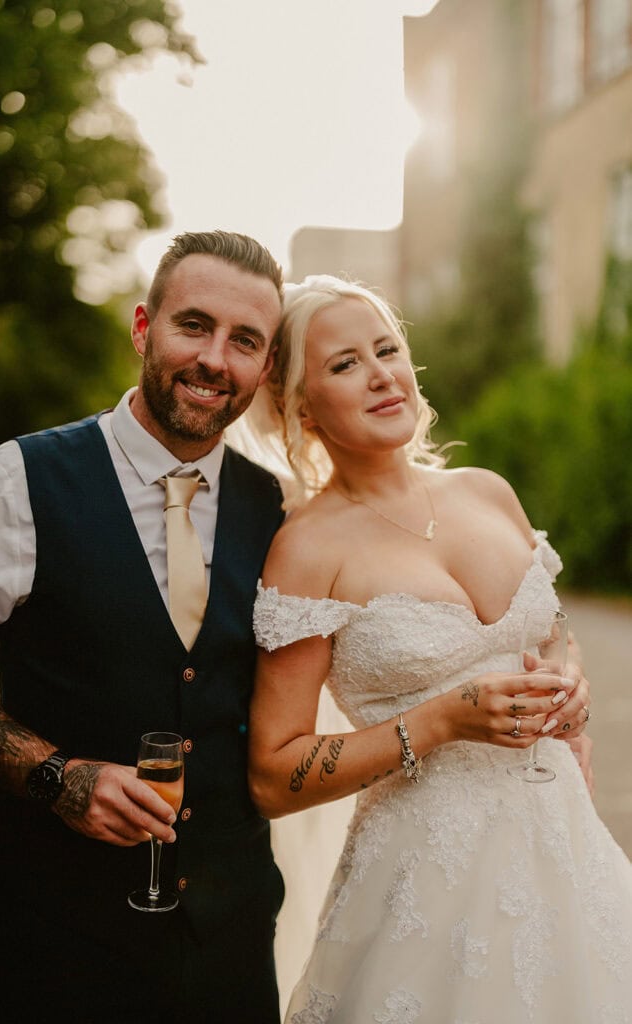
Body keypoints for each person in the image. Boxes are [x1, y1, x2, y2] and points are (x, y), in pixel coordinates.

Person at [248, 274, 632, 1022]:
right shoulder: (305, 550)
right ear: (300, 407)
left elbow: (554, 635)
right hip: (425, 890)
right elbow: (273, 773)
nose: (381, 374)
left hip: (568, 857)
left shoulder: (487, 491)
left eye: (386, 349)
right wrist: (442, 720)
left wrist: (571, 686)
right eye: (344, 364)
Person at [0, 231, 287, 1024]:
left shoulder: (277, 510)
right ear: (144, 328)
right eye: (193, 325)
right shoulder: (16, 482)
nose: (214, 360)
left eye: (245, 341)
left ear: (265, 369)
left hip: (233, 939)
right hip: (65, 941)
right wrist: (57, 776)